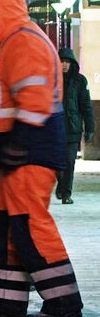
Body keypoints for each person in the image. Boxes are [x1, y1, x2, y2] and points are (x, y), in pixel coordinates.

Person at [0, 0, 82, 317]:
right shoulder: (10, 43)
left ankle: (63, 304)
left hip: (28, 153)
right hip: (12, 154)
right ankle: (5, 305)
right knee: (4, 227)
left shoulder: (23, 41)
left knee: (30, 226)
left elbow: (34, 96)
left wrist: (18, 143)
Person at [56, 48, 94, 205]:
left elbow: (86, 106)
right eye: (62, 61)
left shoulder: (80, 81)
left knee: (70, 161)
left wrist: (90, 128)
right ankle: (62, 185)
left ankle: (66, 193)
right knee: (57, 163)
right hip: (56, 129)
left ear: (72, 64)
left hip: (73, 129)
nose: (64, 65)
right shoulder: (51, 79)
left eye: (67, 62)